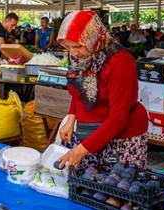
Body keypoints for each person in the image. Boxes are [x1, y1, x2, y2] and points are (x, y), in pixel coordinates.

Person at [56, 11, 148, 170]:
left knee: (115, 188)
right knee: (86, 186)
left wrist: (80, 150)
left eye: (77, 46)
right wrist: (71, 120)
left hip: (121, 138)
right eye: (67, 47)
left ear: (92, 37)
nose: (74, 53)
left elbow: (118, 119)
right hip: (88, 134)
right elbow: (80, 89)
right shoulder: (81, 56)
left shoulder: (120, 61)